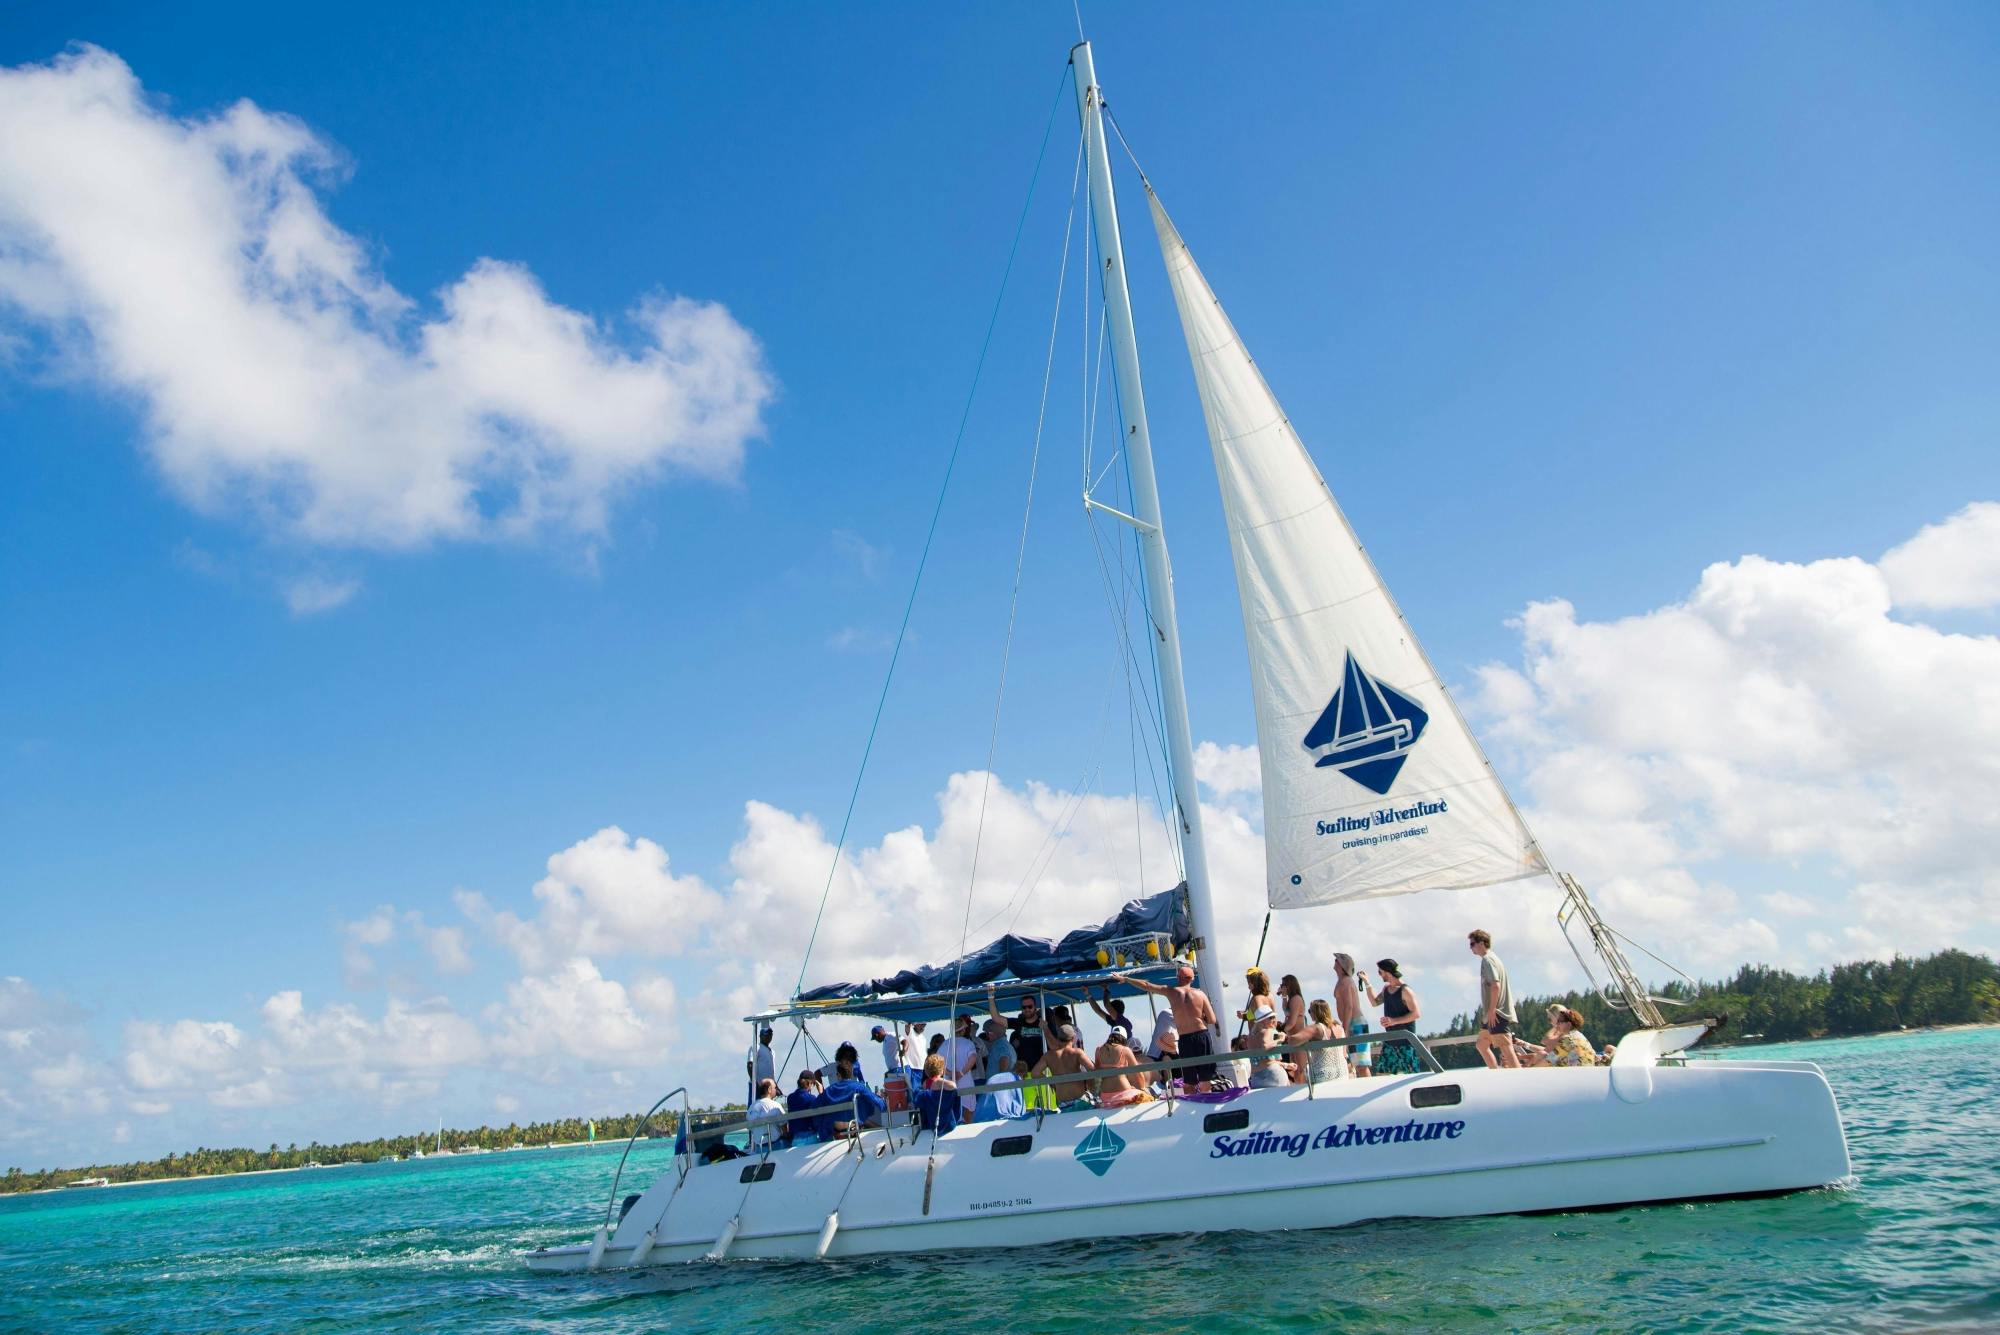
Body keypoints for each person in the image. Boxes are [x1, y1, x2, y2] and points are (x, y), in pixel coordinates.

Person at [1114, 965, 1219, 1083]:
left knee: (1189, 1081)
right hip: (1202, 1035)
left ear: (1178, 978)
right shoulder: (1201, 994)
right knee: (1206, 1079)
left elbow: (1147, 985)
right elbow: (1212, 1020)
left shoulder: (1171, 991)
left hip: (1185, 1038)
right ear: (1192, 979)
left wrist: (1126, 979)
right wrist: (1200, 1018)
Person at [1468, 929, 1520, 1070]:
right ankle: (1495, 1072)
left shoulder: (1488, 960)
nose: (1471, 948)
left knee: (1505, 1047)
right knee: (1482, 1044)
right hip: (1492, 1013)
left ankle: (1520, 1078)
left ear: (1481, 943)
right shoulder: (1494, 958)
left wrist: (1492, 1010)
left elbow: (1495, 985)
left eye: (1472, 944)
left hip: (1497, 1012)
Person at [1362, 959, 1423, 1075]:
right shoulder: (1386, 989)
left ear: (1386, 971)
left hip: (1406, 1044)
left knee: (1410, 1078)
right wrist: (1367, 982)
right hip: (1390, 1043)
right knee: (1382, 1076)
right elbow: (1374, 1002)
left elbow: (1416, 1013)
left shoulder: (1405, 990)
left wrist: (1394, 1021)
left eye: (1380, 972)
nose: (1379, 975)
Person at [987, 984, 1047, 1077]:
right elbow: (996, 1018)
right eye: (1024, 1007)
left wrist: (1046, 1028)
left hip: (1043, 1071)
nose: (1027, 1009)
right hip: (1024, 1074)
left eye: (1030, 1006)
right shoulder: (1018, 1023)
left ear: (1035, 1007)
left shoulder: (1043, 1022)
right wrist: (991, 996)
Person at [1041, 1023, 1098, 1109]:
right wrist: (1089, 1083)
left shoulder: (1048, 1056)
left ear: (1058, 1038)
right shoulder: (1077, 1053)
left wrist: (1051, 1082)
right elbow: (1093, 1070)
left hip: (1062, 1104)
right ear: (1073, 1038)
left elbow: (1035, 1073)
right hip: (1080, 1101)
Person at [822, 1057, 886, 1131]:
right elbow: (881, 1105)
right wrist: (881, 1098)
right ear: (852, 1072)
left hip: (836, 1132)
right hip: (855, 1129)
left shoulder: (827, 1092)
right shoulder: (859, 1087)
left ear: (838, 1075)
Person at [1333, 953, 1371, 1078]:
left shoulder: (1346, 982)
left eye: (1337, 960)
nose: (1334, 962)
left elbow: (1349, 1006)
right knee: (1356, 1063)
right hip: (1352, 1023)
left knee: (1361, 1064)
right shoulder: (1342, 981)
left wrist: (1345, 1028)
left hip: (1355, 1023)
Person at [1093, 1030, 1152, 1107]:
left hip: (1105, 1095)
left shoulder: (1098, 1050)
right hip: (1124, 1093)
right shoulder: (1125, 1050)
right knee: (1148, 1098)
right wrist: (1143, 1088)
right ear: (1123, 1039)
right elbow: (1138, 1073)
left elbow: (1097, 1071)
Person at [976, 1045, 1028, 1121]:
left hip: (984, 1114)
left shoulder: (998, 1077)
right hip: (1003, 1115)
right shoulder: (1016, 1079)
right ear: (1023, 1073)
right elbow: (1018, 1105)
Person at [1304, 998, 1349, 1082]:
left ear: (1316, 1012)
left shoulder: (1316, 1029)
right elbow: (1344, 1053)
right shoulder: (1339, 1027)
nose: (1309, 1013)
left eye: (1310, 1011)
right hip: (1343, 1072)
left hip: (1323, 1074)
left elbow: (1295, 1040)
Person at [914, 1054, 961, 1134]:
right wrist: (939, 1081)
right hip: (950, 1126)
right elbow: (953, 1086)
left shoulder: (922, 1093)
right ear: (942, 1070)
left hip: (929, 1128)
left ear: (926, 1071)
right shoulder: (949, 1089)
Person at [1246, 1004, 1291, 1088]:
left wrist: (1286, 1065)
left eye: (1274, 1017)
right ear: (1262, 1021)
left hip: (1256, 1077)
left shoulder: (1250, 1036)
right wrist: (1280, 1040)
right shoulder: (1269, 1031)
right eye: (1270, 1018)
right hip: (1272, 1074)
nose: (1274, 1020)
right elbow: (1266, 1047)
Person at [946, 1016, 982, 1118]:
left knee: (953, 1113)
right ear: (963, 1030)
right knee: (968, 1112)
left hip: (949, 1084)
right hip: (966, 1083)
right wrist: (961, 1073)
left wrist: (950, 1074)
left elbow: (939, 1064)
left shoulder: (944, 1044)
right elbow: (973, 1058)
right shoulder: (968, 1043)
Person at [785, 1069, 828, 1145]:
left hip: (795, 1139)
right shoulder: (811, 1098)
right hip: (809, 1137)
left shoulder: (790, 1098)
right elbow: (822, 1108)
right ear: (809, 1084)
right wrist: (821, 1092)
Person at [747, 1079, 786, 1151]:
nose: (776, 1090)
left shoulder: (751, 1108)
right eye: (775, 1088)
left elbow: (751, 1128)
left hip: (759, 1148)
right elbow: (784, 1127)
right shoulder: (775, 1105)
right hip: (776, 1146)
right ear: (769, 1089)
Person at [746, 1026, 775, 1104]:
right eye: (766, 1035)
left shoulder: (772, 1051)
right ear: (760, 1036)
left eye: (770, 1035)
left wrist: (775, 1087)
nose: (768, 1037)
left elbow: (772, 1072)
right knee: (755, 1106)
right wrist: (755, 1083)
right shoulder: (755, 1047)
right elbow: (750, 1065)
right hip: (757, 1085)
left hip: (769, 1086)